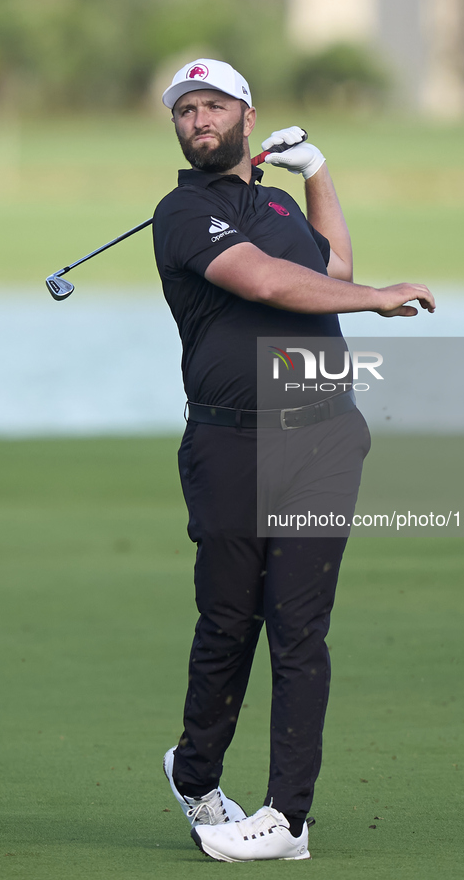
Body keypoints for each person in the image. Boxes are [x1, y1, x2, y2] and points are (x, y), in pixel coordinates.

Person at [152, 58, 435, 863]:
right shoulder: (181, 211)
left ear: (249, 118)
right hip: (229, 442)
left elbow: (327, 269)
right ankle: (197, 772)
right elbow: (271, 283)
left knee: (298, 630)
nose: (198, 120)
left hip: (321, 435)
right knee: (228, 621)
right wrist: (378, 297)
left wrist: (316, 174)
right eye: (185, 110)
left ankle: (287, 817)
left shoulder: (275, 200)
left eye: (213, 106)